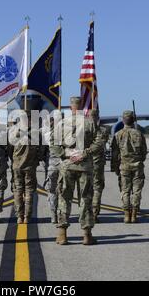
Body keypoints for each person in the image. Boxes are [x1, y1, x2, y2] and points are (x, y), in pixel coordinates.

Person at [54, 97, 102, 246]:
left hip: (67, 166)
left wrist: (66, 154)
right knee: (85, 199)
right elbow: (99, 141)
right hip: (85, 166)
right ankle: (87, 235)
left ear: (70, 107)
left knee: (64, 199)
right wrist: (85, 153)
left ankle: (62, 234)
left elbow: (52, 144)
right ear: (81, 106)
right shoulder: (90, 123)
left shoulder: (61, 124)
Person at [111, 111, 147, 224]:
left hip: (124, 166)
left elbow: (114, 154)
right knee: (137, 191)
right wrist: (139, 160)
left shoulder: (118, 134)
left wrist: (115, 167)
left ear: (123, 120)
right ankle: (134, 214)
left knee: (125, 190)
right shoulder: (139, 134)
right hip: (137, 166)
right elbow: (144, 152)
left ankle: (126, 214)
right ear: (134, 120)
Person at [11, 111, 40, 224]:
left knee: (18, 190)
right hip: (30, 166)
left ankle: (19, 216)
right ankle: (27, 217)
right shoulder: (35, 133)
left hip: (17, 166)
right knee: (29, 191)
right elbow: (40, 150)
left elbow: (9, 149)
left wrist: (14, 159)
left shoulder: (13, 132)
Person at [89, 109, 109, 223]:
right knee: (97, 188)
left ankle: (86, 212)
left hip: (86, 163)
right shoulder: (103, 130)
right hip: (98, 164)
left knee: (85, 189)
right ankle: (94, 213)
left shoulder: (83, 130)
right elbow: (102, 141)